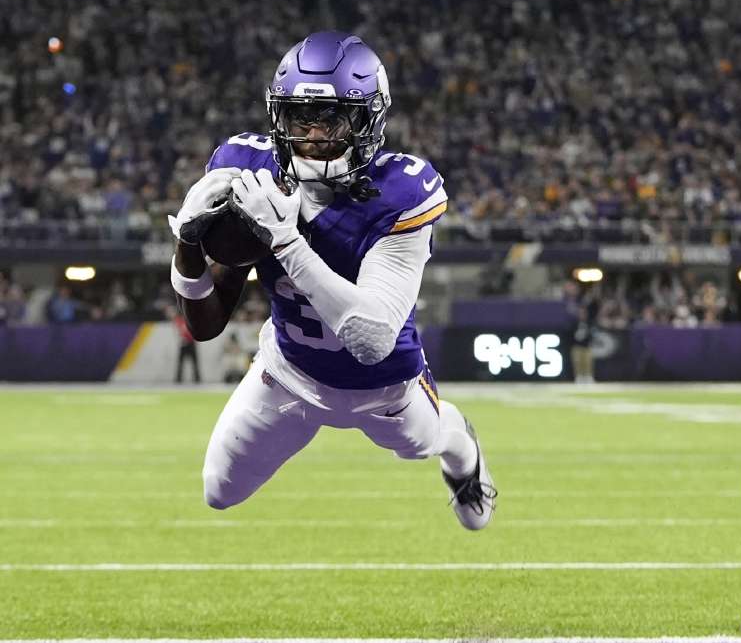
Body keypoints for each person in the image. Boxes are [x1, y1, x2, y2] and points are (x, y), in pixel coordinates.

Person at [166, 32, 495, 529]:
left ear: (367, 120)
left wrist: (285, 240)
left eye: (333, 118)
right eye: (302, 118)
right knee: (218, 491)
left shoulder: (401, 192)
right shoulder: (247, 171)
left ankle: (462, 446)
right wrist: (188, 243)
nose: (315, 134)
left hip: (385, 386)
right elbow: (206, 324)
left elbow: (372, 338)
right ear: (280, 117)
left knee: (426, 443)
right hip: (289, 372)